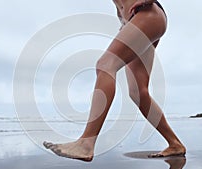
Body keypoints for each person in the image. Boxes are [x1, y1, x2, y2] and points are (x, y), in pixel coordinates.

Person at [44, 0, 186, 162]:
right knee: (138, 93)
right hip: (142, 18)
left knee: (105, 65)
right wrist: (122, 18)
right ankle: (174, 143)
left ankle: (86, 143)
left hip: (147, 13)